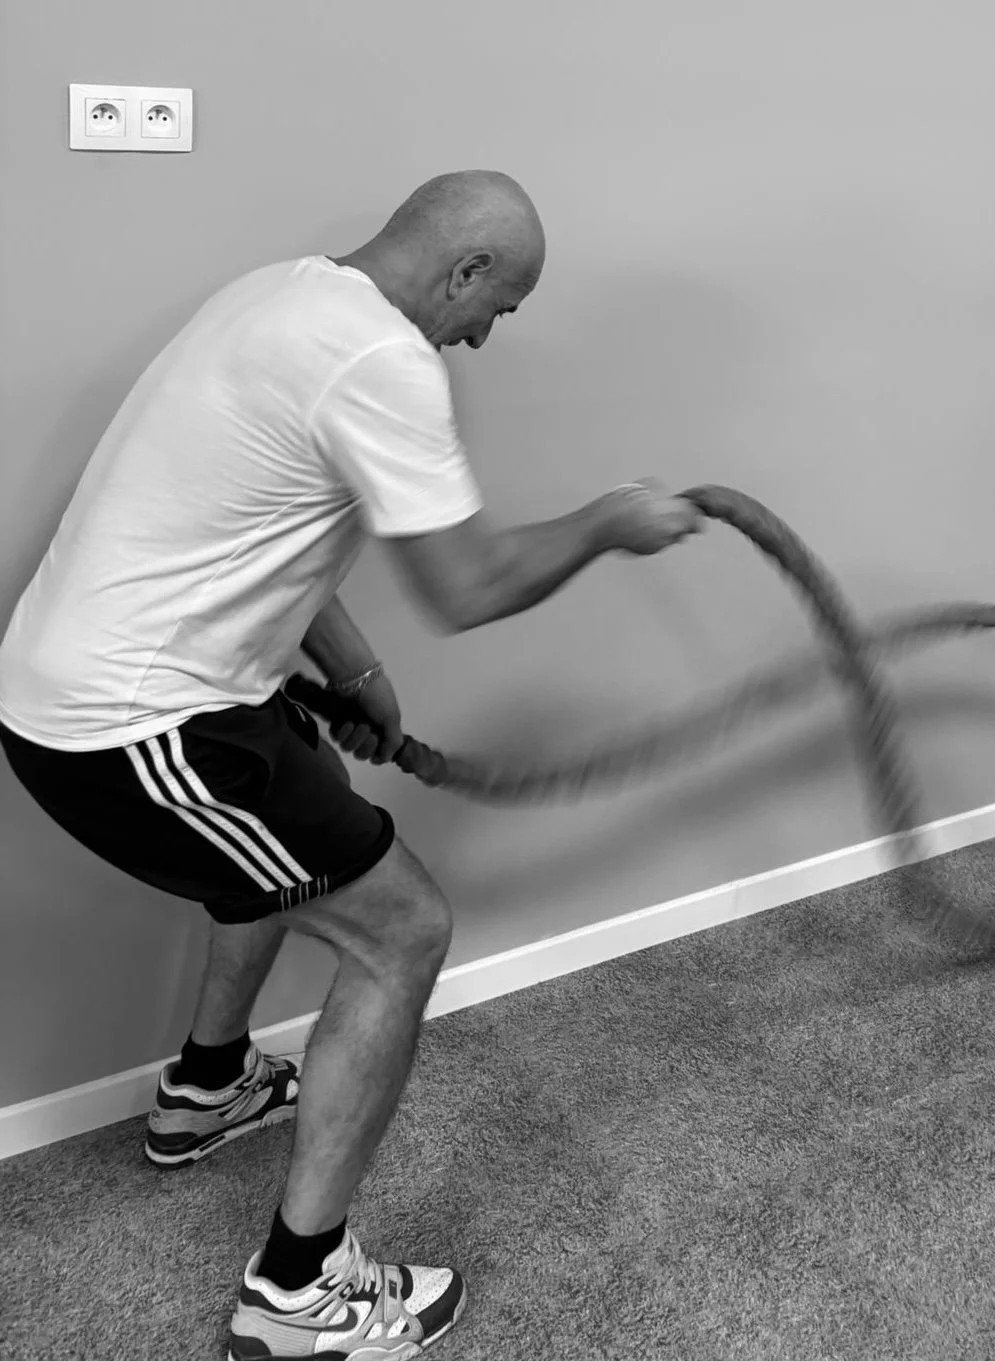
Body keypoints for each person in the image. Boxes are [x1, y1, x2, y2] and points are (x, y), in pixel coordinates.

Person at [0, 169, 704, 1359]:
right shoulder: (383, 360)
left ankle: (206, 1091)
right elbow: (469, 585)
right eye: (497, 306)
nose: (483, 334)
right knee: (403, 930)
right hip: (134, 724)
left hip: (142, 691)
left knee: (274, 854)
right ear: (466, 268)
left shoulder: (277, 299)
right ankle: (297, 1292)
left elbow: (260, 518)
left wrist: (360, 677)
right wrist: (607, 521)